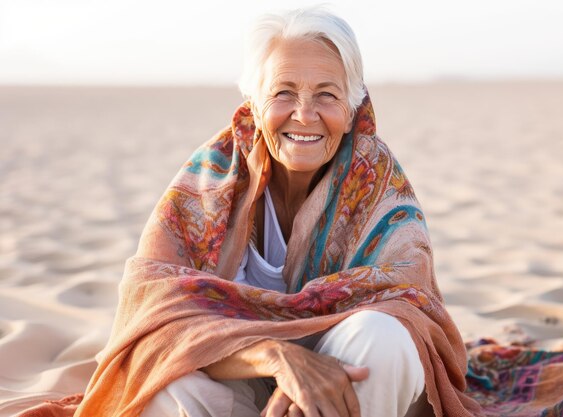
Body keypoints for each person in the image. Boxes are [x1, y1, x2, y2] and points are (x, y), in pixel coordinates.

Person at [67, 6, 482, 417]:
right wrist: (277, 357)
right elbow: (154, 316)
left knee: (385, 338)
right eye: (283, 92)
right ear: (253, 102)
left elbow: (412, 305)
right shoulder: (210, 182)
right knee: (164, 384)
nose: (304, 114)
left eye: (327, 94)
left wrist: (315, 382)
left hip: (347, 383)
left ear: (353, 106)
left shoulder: (377, 183)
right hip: (241, 373)